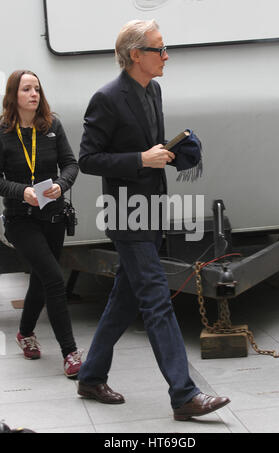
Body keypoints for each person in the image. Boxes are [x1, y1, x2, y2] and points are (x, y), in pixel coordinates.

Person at [77, 20, 230, 421]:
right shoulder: (106, 99)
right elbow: (88, 159)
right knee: (157, 301)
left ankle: (91, 376)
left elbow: (150, 146)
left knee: (123, 299)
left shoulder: (153, 90)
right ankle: (184, 395)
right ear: (135, 55)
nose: (166, 56)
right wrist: (140, 159)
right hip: (127, 216)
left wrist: (170, 153)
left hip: (153, 210)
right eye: (159, 49)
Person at [0, 70, 82, 378]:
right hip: (21, 220)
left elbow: (72, 164)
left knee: (41, 277)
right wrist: (23, 191)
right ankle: (70, 352)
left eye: (37, 88)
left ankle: (25, 334)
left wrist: (61, 185)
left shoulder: (52, 125)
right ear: (14, 96)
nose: (34, 94)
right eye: (26, 89)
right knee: (54, 278)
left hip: (53, 216)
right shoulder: (3, 132)